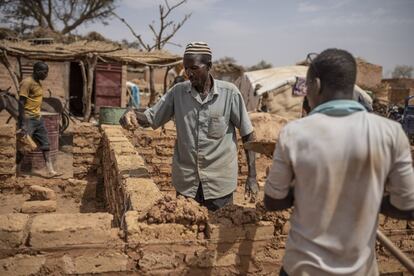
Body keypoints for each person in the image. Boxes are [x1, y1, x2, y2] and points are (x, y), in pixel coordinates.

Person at [264, 49, 414, 275]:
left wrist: (307, 189)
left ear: (315, 83)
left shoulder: (294, 133)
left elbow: (273, 201)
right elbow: (407, 206)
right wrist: (369, 196)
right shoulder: (391, 133)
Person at [120, 41, 257, 211]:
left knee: (217, 231)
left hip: (219, 186)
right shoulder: (177, 93)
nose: (189, 73)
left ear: (209, 66)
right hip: (187, 184)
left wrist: (252, 176)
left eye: (194, 68)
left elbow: (248, 134)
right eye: (186, 68)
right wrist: (131, 114)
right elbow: (151, 117)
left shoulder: (230, 94)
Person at [17, 61, 61, 177]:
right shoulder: (27, 83)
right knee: (25, 146)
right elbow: (21, 102)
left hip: (38, 119)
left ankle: (50, 170)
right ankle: (16, 170)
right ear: (37, 71)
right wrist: (22, 123)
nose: (46, 75)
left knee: (46, 144)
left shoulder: (38, 83)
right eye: (45, 72)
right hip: (28, 119)